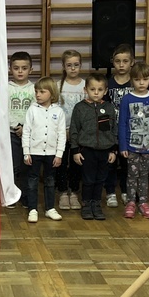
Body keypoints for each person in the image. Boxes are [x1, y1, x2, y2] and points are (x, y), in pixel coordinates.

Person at [69, 72, 118, 221]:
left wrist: (113, 149)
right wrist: (75, 150)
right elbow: (74, 129)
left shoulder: (109, 108)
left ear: (105, 91)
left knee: (100, 179)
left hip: (105, 150)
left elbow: (113, 129)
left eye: (100, 89)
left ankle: (96, 204)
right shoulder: (80, 108)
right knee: (88, 179)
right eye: (92, 89)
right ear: (85, 90)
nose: (96, 93)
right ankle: (86, 204)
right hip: (87, 150)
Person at [119, 62, 149, 219]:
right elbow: (122, 123)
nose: (141, 83)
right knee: (132, 174)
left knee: (144, 175)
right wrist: (123, 145)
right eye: (137, 80)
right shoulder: (127, 99)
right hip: (131, 145)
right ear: (132, 80)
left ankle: (143, 202)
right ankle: (131, 202)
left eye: (145, 79)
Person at [22, 76, 65, 223]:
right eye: (36, 91)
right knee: (32, 181)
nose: (38, 95)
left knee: (50, 181)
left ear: (51, 94)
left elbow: (61, 134)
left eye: (42, 92)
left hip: (51, 153)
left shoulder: (58, 111)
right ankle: (32, 209)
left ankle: (50, 208)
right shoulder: (32, 110)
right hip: (34, 152)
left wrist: (59, 154)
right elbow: (26, 131)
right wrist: (26, 152)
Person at [104, 44, 134, 207]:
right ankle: (110, 192)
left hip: (130, 131)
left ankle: (125, 190)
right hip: (111, 131)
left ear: (132, 62)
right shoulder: (108, 84)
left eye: (125, 61)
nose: (121, 65)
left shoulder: (135, 83)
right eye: (118, 61)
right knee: (110, 162)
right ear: (112, 62)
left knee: (127, 163)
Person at [55, 49, 85, 210]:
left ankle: (73, 192)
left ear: (80, 65)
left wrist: (77, 131)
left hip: (79, 134)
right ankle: (62, 192)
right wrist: (62, 131)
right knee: (60, 163)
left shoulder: (85, 85)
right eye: (69, 65)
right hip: (61, 133)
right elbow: (53, 110)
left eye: (76, 65)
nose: (73, 68)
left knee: (76, 163)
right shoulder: (58, 86)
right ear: (63, 66)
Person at [7, 51, 35, 208]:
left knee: (26, 166)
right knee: (11, 166)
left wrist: (25, 127)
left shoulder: (34, 89)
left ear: (31, 70)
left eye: (24, 68)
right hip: (10, 134)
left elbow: (36, 111)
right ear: (10, 69)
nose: (20, 71)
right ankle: (10, 196)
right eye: (16, 68)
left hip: (29, 135)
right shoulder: (6, 88)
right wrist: (16, 126)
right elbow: (3, 110)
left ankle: (25, 196)